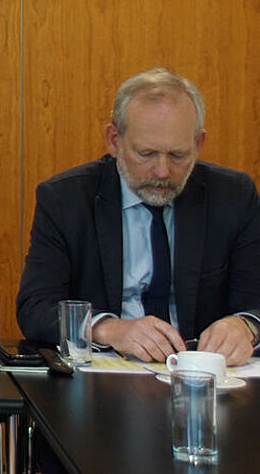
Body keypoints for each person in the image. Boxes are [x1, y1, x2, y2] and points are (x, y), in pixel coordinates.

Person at [17, 68, 260, 366]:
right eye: (147, 154)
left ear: (199, 144)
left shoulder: (234, 196)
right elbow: (35, 307)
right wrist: (109, 328)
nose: (162, 171)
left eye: (177, 156)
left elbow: (255, 299)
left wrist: (246, 325)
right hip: (103, 380)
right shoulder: (65, 200)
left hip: (201, 379)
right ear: (114, 140)